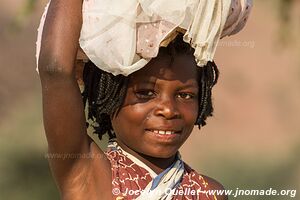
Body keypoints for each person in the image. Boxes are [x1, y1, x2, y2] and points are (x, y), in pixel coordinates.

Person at [37, 0, 252, 199]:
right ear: (109, 98)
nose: (168, 110)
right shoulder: (87, 175)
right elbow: (55, 70)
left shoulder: (209, 192)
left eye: (185, 95)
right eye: (146, 93)